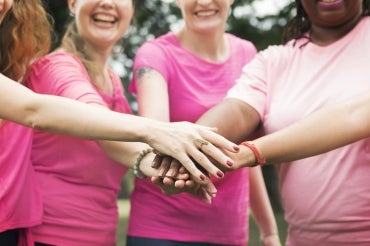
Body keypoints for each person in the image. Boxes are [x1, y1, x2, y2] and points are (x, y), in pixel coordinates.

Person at [0, 0, 238, 245]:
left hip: (101, 234)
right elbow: (97, 123)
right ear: (72, 4)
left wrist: (162, 168)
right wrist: (160, 137)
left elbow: (118, 140)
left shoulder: (112, 79)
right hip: (51, 235)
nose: (107, 3)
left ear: (132, 10)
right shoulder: (56, 67)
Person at [182, 0, 370, 245]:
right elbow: (238, 110)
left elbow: (354, 116)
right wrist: (188, 150)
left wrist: (251, 153)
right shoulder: (274, 61)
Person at [128, 0, 280, 245]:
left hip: (229, 230)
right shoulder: (155, 54)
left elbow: (243, 153)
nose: (204, 2)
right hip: (160, 230)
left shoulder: (247, 53)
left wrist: (269, 230)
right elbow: (155, 134)